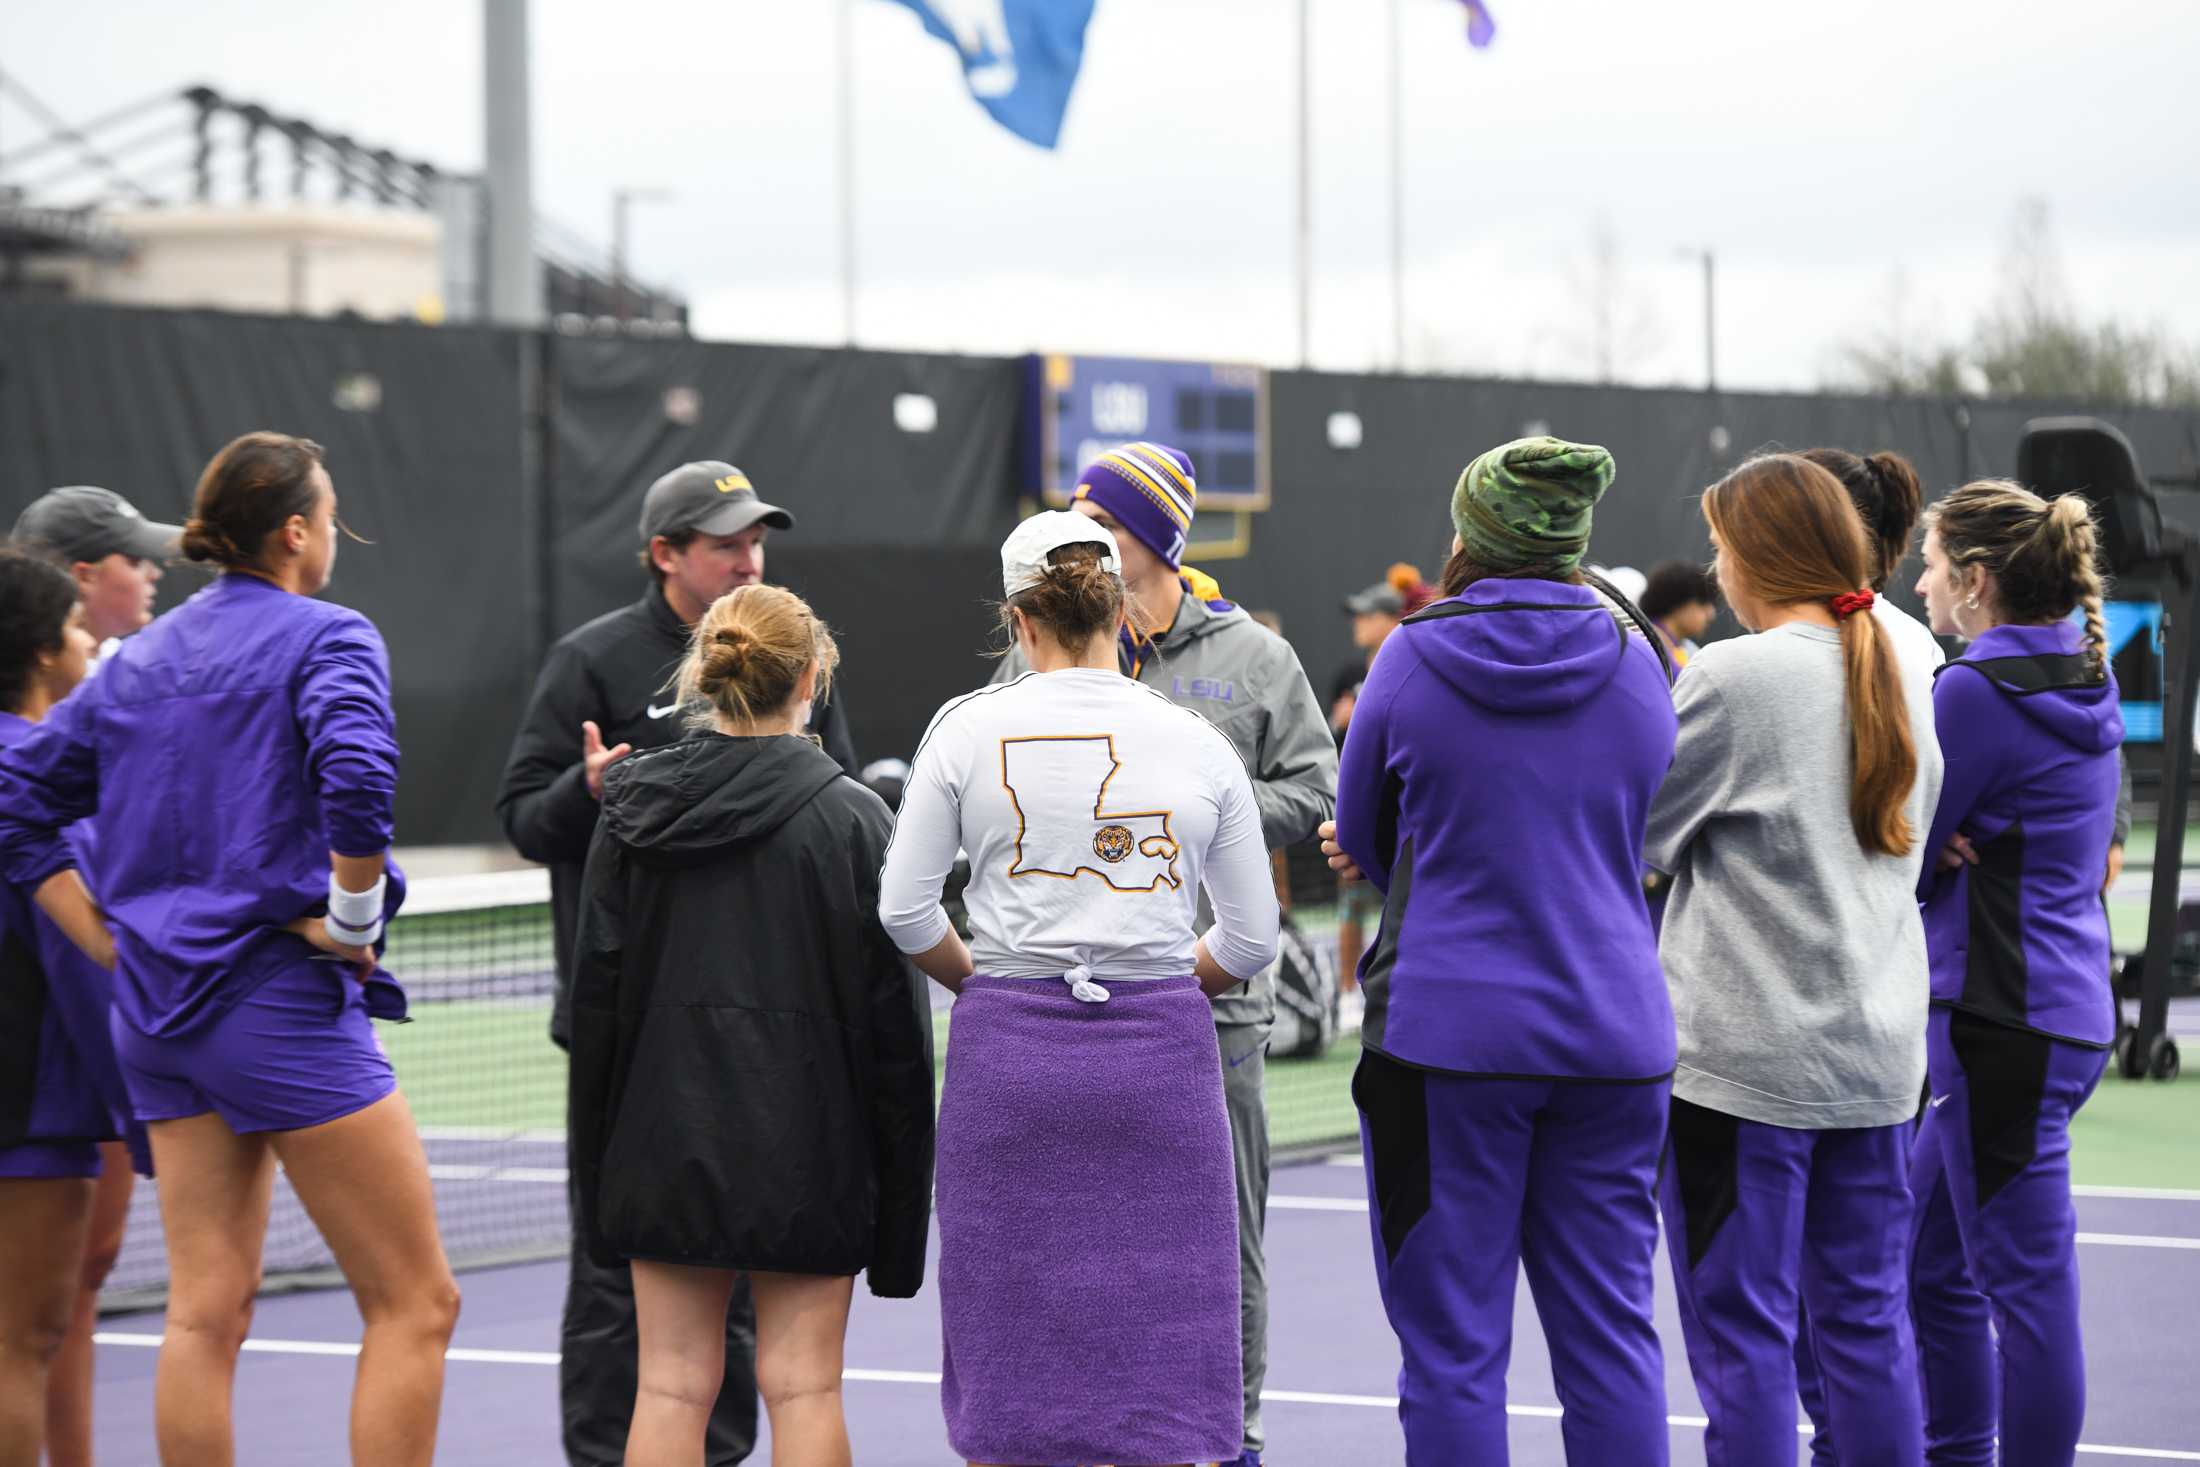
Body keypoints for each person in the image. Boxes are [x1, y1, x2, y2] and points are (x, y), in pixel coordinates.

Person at [0, 432, 460, 1466]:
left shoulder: (135, 664)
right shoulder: (329, 635)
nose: (337, 534)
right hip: (276, 1011)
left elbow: (18, 810)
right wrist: (350, 926)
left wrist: (117, 948)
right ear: (297, 531)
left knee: (203, 1316)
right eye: (332, 515)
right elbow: (357, 778)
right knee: (416, 1303)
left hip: (156, 1025)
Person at [882, 510, 1281, 1467]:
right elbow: (1254, 935)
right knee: (1165, 1373)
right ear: (1121, 615)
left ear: (1019, 620)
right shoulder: (1195, 741)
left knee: (1006, 1357)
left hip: (1007, 1060)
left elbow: (903, 912)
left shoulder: (964, 730)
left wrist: (982, 978)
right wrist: (1174, 979)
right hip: (1162, 1068)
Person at [1327, 438, 1677, 1464]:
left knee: (1451, 1354)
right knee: (1612, 1339)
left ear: (1467, 537)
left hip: (1444, 1042)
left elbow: (1365, 836)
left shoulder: (1408, 652)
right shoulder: (1639, 656)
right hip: (1616, 1038)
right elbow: (1647, 820)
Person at [497, 459, 851, 1466]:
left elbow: (831, 798)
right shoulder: (591, 660)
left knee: (750, 1274)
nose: (748, 557)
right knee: (620, 1276)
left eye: (756, 539)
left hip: (775, 1036)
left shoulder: (795, 657)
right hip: (635, 1037)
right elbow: (523, 818)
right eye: (725, 542)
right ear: (665, 555)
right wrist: (588, 787)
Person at [992, 444, 1335, 1467]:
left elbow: (1317, 790)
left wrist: (1200, 811)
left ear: (1155, 535)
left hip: (1209, 1005)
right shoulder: (1038, 648)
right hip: (1065, 1000)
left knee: (1221, 1241)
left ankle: (1233, 1437)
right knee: (1070, 1238)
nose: (1076, 521)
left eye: (1099, 510)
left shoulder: (1257, 659)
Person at [569, 584, 934, 1467]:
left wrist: (599, 1185)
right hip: (812, 1153)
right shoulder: (858, 821)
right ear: (811, 680)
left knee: (668, 1386)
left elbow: (597, 1011)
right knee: (804, 1386)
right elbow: (900, 1044)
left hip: (662, 1147)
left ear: (704, 675)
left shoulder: (628, 812)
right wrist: (898, 1231)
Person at [1645, 453, 1942, 1467]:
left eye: (1724, 548)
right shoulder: (1908, 654)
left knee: (1745, 1345)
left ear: (1755, 558)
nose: (1717, 568)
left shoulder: (1732, 675)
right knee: (1866, 1331)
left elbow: (1639, 838)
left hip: (1744, 1071)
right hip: (1878, 1058)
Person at [1909, 481, 2121, 1466]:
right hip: (2056, 1017)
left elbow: (1897, 854)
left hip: (1999, 1028)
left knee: (2025, 1298)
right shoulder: (2085, 671)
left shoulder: (1969, 692)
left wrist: (1918, 837)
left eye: (1933, 566)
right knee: (1924, 1266)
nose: (1919, 584)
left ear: (1976, 583)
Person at [8, 484, 178, 1467]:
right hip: (49, 1090)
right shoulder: (44, 763)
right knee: (34, 1322)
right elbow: (90, 954)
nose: (153, 572)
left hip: (59, 1084)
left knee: (67, 1292)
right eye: (130, 561)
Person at [1789, 443, 1942, 1464]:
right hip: (1885, 1028)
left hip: (1788, 1037)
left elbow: (1656, 830)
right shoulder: (1914, 646)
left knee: (1791, 1318)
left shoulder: (1770, 663)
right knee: (1861, 1311)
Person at [11, 484, 180, 671]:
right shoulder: (32, 689)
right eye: (136, 561)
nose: (155, 574)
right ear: (84, 576)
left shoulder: (117, 660)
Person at [1637, 560, 1717, 669]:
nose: (1711, 614)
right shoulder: (1646, 644)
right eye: (1702, 602)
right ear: (1677, 601)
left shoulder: (1685, 649)